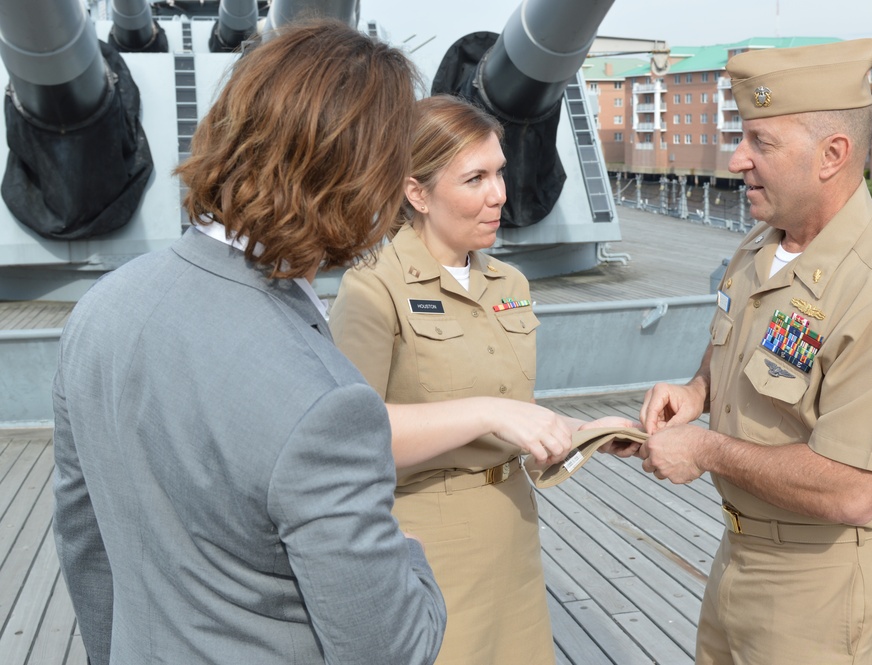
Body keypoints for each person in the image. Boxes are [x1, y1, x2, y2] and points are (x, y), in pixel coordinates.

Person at [51, 21, 446, 665]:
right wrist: (408, 552)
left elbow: (85, 543)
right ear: (359, 181)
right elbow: (391, 648)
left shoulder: (100, 312)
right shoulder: (327, 406)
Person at [634, 39, 872, 664]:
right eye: (741, 137)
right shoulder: (761, 246)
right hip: (736, 560)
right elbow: (733, 346)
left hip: (822, 586)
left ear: (832, 154)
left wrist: (703, 448)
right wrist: (696, 394)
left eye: (761, 143)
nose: (735, 159)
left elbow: (856, 490)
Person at [329, 94, 632, 664]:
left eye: (499, 173)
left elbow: (511, 413)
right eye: (475, 178)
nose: (499, 195)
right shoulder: (373, 291)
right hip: (429, 543)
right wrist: (488, 413)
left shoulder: (509, 284)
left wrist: (586, 431)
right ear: (416, 192)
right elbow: (352, 441)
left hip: (514, 534)